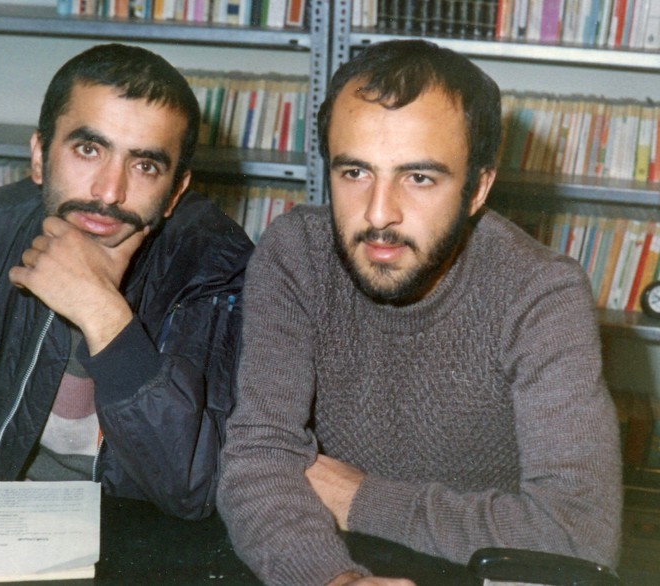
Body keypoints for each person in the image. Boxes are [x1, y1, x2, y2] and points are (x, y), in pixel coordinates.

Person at [217, 39, 622, 585]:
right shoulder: (297, 255)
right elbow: (258, 460)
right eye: (354, 173)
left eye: (419, 178)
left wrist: (362, 498)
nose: (379, 214)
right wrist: (336, 581)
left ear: (477, 189)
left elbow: (578, 534)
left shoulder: (540, 292)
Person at [0, 43, 253, 520]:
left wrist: (102, 313)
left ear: (175, 193)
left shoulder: (215, 268)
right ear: (40, 155)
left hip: (137, 531)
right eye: (89, 149)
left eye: (145, 165)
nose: (109, 192)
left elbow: (192, 487)